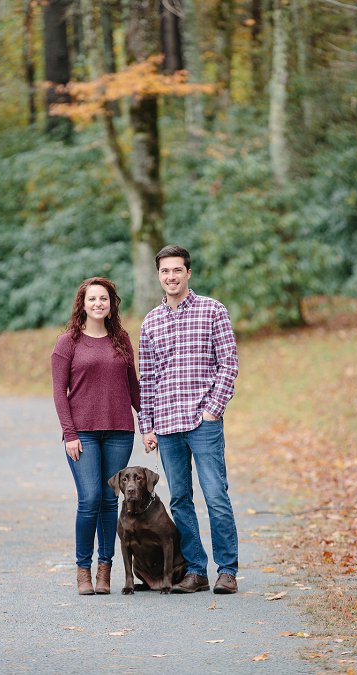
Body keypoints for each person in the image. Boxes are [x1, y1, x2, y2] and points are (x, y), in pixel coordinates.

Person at [137, 245, 240, 595]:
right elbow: (147, 379)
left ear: (188, 273)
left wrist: (213, 409)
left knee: (215, 496)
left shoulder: (213, 311)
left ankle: (227, 570)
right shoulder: (150, 322)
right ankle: (196, 570)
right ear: (159, 276)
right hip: (166, 427)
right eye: (165, 271)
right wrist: (146, 426)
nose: (171, 276)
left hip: (203, 422)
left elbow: (229, 363)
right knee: (180, 500)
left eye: (177, 270)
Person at [51, 277, 140, 595]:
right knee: (89, 499)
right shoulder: (68, 342)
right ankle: (83, 571)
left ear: (111, 303)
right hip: (83, 434)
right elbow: (59, 394)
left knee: (108, 500)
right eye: (92, 299)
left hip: (119, 432)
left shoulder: (122, 339)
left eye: (104, 298)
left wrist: (149, 422)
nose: (98, 303)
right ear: (83, 303)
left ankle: (105, 570)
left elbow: (133, 387)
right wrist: (69, 433)